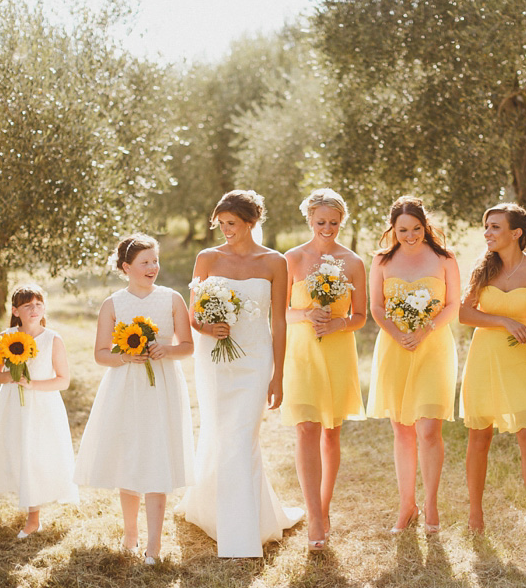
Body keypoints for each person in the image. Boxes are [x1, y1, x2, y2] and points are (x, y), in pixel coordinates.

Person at [176, 190, 303, 558]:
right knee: (220, 432)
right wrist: (207, 328)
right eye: (221, 224)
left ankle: (241, 533)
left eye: (231, 224)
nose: (226, 230)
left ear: (251, 222)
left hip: (255, 358)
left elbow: (278, 322)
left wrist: (277, 375)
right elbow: (193, 315)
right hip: (215, 359)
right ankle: (218, 511)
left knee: (243, 435)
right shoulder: (207, 258)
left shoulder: (275, 262)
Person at [73, 234, 194, 565]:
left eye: (155, 260)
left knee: (157, 458)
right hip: (125, 388)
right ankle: (130, 533)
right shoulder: (113, 304)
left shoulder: (172, 299)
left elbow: (188, 346)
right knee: (129, 457)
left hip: (162, 387)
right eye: (145, 262)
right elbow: (100, 354)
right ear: (126, 267)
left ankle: (153, 547)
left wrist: (165, 349)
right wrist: (125, 356)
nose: (153, 267)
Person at [459, 202, 526, 544]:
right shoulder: (482, 269)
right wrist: (503, 320)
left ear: (516, 233)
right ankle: (475, 515)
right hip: (484, 356)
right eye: (485, 227)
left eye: (494, 227)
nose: (487, 233)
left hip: (520, 359)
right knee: (479, 435)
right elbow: (464, 314)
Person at [366, 196, 460, 534]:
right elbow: (376, 307)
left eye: (416, 229)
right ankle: (407, 505)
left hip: (433, 347)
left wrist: (424, 329)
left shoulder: (444, 258)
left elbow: (453, 305)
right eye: (403, 230)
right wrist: (397, 332)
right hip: (395, 348)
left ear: (426, 227)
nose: (410, 236)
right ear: (393, 229)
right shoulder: (380, 261)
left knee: (429, 429)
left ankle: (432, 503)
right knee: (402, 430)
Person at [282, 188, 367, 550]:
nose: (327, 228)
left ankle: (325, 506)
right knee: (305, 428)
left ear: (341, 221)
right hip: (301, 353)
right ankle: (314, 515)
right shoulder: (291, 259)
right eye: (321, 222)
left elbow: (360, 317)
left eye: (334, 222)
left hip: (336, 351)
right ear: (309, 220)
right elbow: (280, 312)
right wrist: (304, 314)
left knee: (331, 433)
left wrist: (338, 324)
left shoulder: (354, 263)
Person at [0, 283, 79, 538]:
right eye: (27, 306)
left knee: (37, 454)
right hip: (13, 405)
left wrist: (32, 383)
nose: (34, 309)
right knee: (17, 451)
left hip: (43, 406)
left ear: (44, 307)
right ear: (15, 311)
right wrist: (11, 378)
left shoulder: (53, 339)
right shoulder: (6, 337)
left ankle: (33, 518)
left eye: (38, 304)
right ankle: (27, 501)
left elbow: (63, 380)